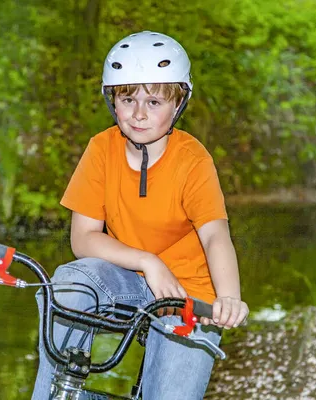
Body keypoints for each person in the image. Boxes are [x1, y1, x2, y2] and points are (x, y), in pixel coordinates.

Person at [32, 30, 249, 399]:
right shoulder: (101, 149)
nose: (138, 114)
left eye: (154, 101)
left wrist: (228, 297)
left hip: (187, 293)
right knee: (69, 285)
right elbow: (83, 238)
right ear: (111, 99)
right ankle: (56, 394)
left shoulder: (193, 160)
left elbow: (215, 235)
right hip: (127, 277)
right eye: (128, 98)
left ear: (178, 103)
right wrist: (148, 262)